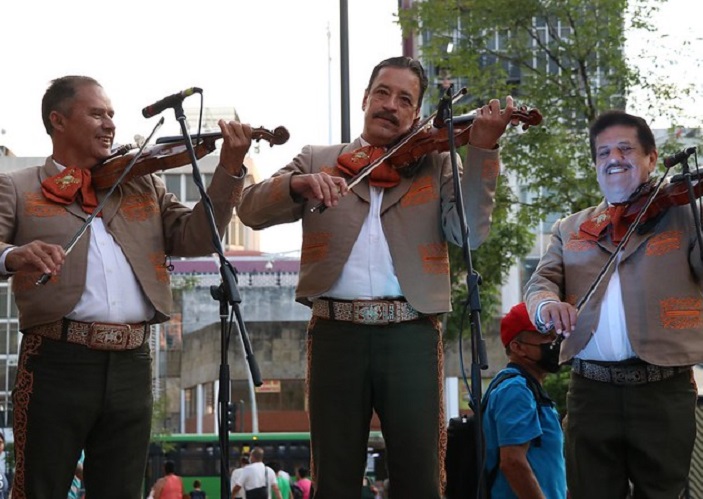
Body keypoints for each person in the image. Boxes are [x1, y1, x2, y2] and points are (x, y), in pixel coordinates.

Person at [237, 55, 519, 498]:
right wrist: (298, 185)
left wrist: (482, 150)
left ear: (417, 114)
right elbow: (250, 209)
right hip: (335, 331)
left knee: (419, 473)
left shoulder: (438, 161)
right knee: (334, 473)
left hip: (410, 330)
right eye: (382, 93)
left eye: (404, 99)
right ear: (366, 98)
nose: (390, 105)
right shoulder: (320, 158)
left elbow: (469, 234)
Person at [2, 75, 251, 498]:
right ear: (57, 120)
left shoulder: (144, 182)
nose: (109, 124)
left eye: (112, 114)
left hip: (133, 362)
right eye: (96, 113)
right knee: (38, 489)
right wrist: (13, 256)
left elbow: (197, 236)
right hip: (56, 360)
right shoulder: (17, 185)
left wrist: (228, 169)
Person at [524, 109, 703, 498]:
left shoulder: (687, 213)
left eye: (625, 149)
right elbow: (541, 282)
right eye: (603, 152)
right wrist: (546, 307)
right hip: (590, 389)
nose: (614, 159)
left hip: (663, 389)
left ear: (652, 159)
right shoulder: (570, 227)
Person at [482, 302, 566, 498]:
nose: (554, 342)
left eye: (554, 335)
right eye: (545, 336)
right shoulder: (516, 390)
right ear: (518, 347)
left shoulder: (528, 388)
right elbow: (513, 462)